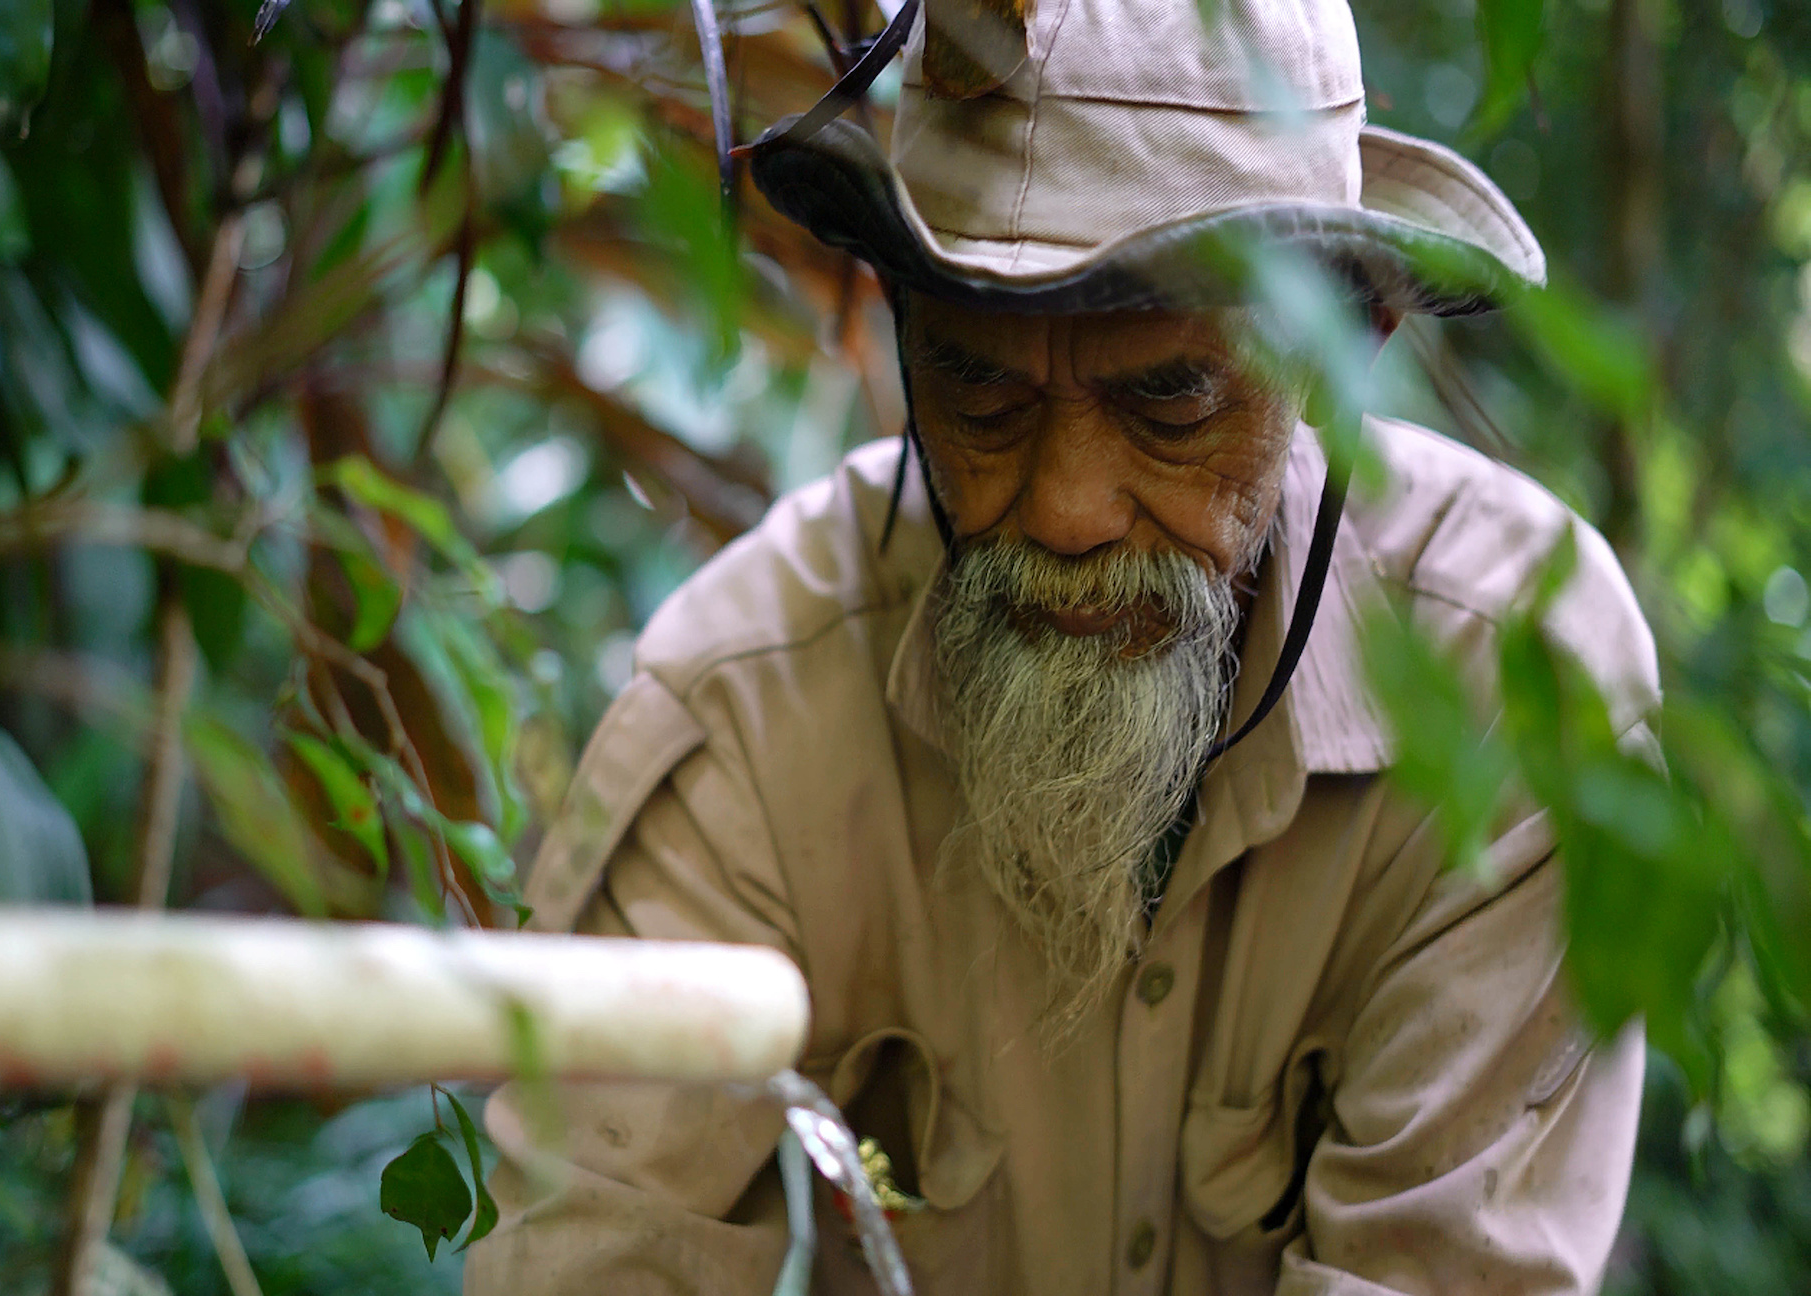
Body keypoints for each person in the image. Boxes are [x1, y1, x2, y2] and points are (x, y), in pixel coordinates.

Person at [465, 0, 1656, 1290]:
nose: (1064, 510)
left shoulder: (1516, 708)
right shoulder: (746, 715)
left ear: (1339, 354)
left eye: (1169, 399)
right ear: (905, 339)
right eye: (981, 393)